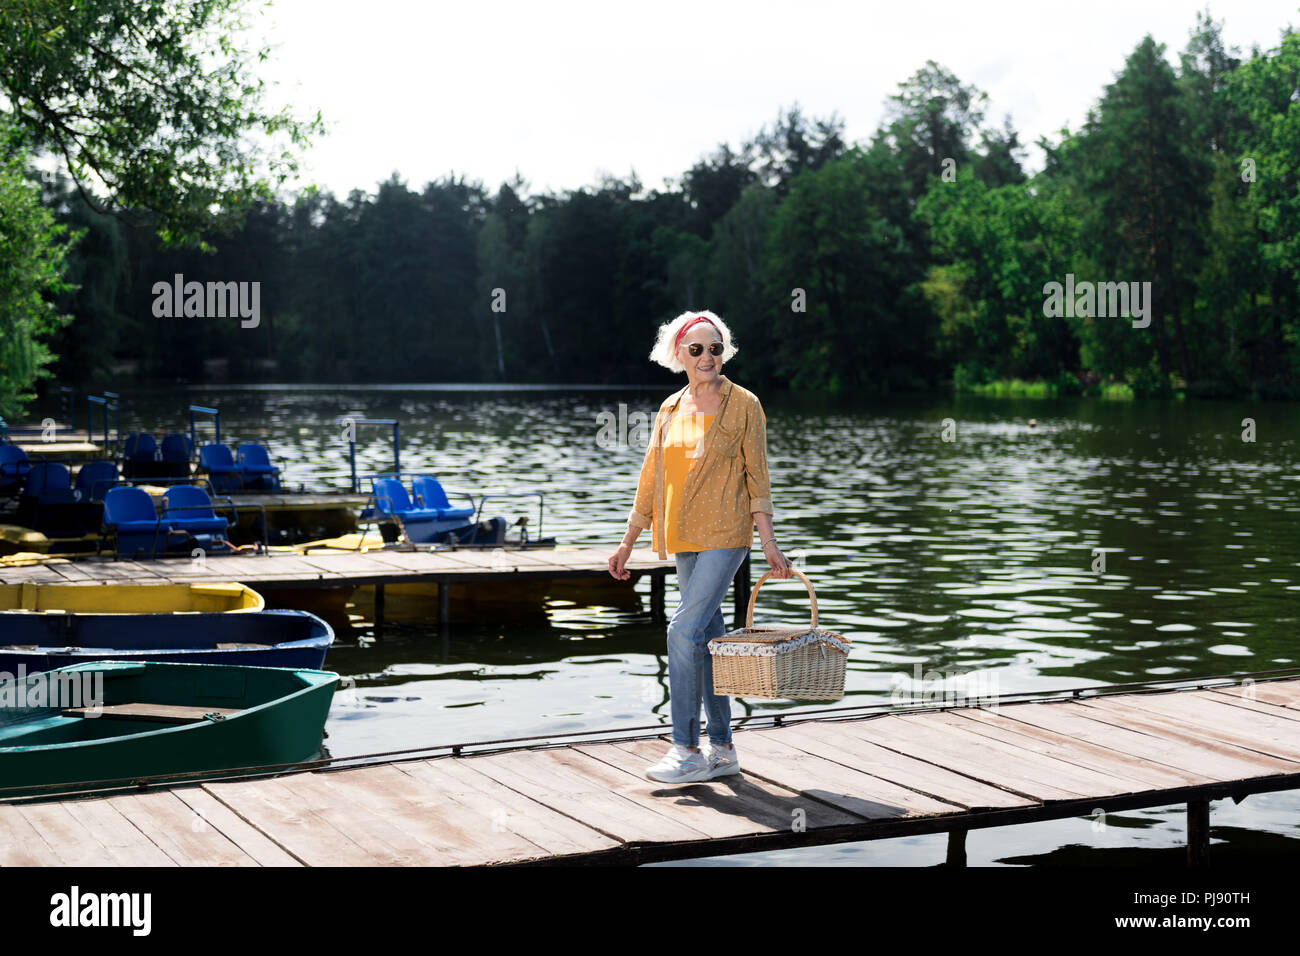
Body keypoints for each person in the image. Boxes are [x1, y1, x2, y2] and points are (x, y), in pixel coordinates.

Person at [608, 309, 791, 784]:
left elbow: (758, 477)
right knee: (707, 640)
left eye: (716, 348)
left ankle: (685, 748)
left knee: (681, 630)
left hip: (727, 533)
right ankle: (724, 748)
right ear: (678, 354)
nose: (708, 357)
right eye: (697, 349)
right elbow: (650, 480)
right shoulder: (670, 408)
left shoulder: (744, 404)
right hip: (681, 534)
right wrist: (627, 543)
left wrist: (768, 540)